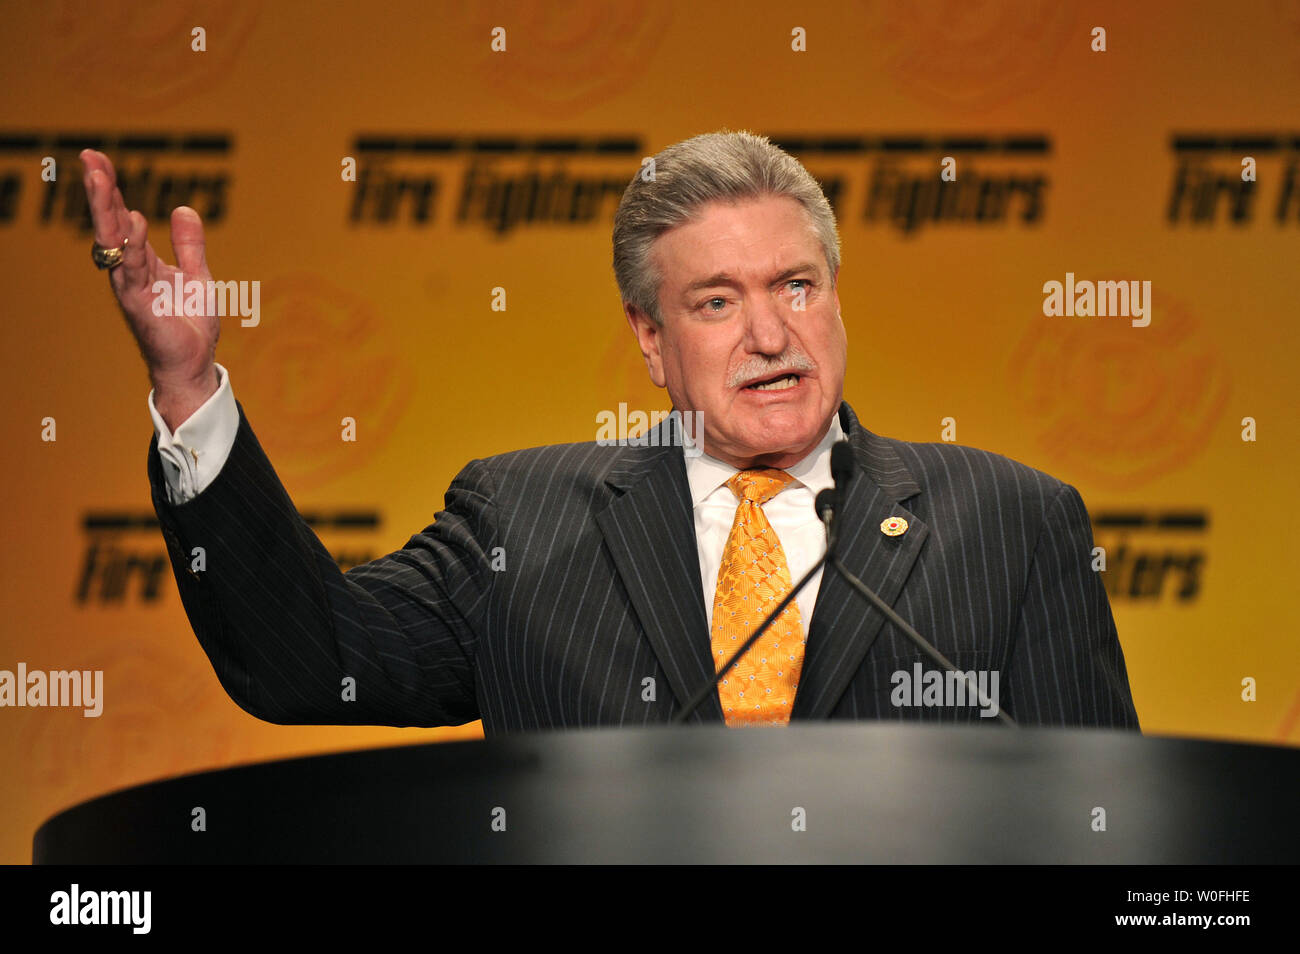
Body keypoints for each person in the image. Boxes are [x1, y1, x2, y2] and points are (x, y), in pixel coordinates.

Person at [80, 131, 1140, 732]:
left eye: (796, 286)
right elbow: (313, 665)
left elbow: (1103, 829)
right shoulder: (525, 520)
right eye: (717, 303)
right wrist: (186, 384)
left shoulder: (1012, 522)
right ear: (650, 338)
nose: (771, 334)